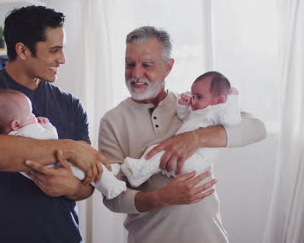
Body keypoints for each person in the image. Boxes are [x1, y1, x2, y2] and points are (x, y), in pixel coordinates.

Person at [0, 5, 110, 243]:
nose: (62, 59)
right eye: (54, 50)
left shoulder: (71, 105)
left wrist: (69, 187)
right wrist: (69, 148)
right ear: (23, 50)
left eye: (62, 49)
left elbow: (87, 184)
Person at [98, 26, 266, 243]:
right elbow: (112, 196)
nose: (136, 74)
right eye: (130, 64)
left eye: (147, 65)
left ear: (168, 67)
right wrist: (162, 198)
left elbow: (257, 128)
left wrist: (195, 138)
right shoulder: (112, 121)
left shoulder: (194, 105)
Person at [0, 89, 126, 199]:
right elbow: (51, 138)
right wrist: (47, 125)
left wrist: (72, 187)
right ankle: (113, 187)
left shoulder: (6, 138)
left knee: (92, 170)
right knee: (92, 170)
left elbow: (83, 190)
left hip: (55, 188)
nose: (34, 116)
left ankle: (115, 172)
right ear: (16, 124)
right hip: (58, 166)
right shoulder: (27, 130)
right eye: (30, 114)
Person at [122, 71, 241, 187]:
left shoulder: (218, 111)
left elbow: (232, 121)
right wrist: (183, 105)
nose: (193, 100)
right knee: (154, 149)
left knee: (160, 154)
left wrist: (233, 98)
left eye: (199, 97)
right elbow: (183, 116)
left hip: (195, 159)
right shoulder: (197, 111)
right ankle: (139, 175)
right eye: (193, 96)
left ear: (219, 100)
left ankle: (138, 173)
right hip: (181, 154)